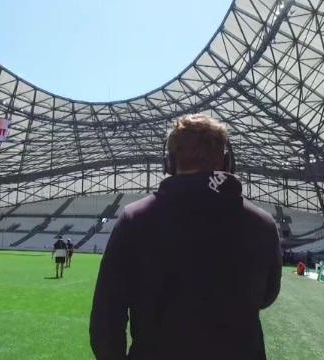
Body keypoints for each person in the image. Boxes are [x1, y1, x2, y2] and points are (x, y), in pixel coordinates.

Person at [90, 114, 282, 359]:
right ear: (226, 162)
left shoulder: (135, 219)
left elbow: (106, 317)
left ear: (169, 162)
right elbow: (267, 296)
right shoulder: (262, 223)